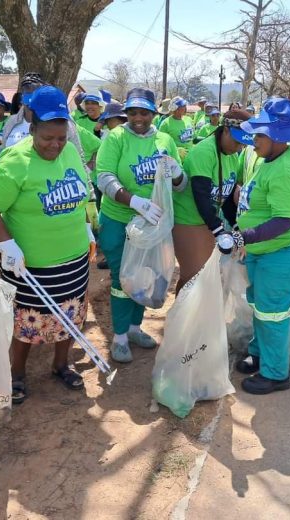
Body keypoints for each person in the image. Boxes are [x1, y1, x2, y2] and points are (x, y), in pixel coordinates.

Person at [0, 86, 95, 403]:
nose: (55, 145)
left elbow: (80, 194)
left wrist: (86, 227)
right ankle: (16, 374)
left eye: (61, 137)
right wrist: (6, 245)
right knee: (25, 323)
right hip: (31, 265)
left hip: (73, 260)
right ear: (32, 128)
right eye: (47, 138)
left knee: (70, 317)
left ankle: (61, 365)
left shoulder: (70, 152)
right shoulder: (15, 161)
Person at [95, 87, 186, 363]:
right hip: (119, 221)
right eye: (132, 112)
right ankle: (120, 337)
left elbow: (180, 186)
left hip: (153, 225)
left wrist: (178, 173)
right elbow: (105, 177)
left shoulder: (165, 140)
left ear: (153, 114)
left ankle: (135, 328)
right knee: (123, 278)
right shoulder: (116, 138)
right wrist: (133, 201)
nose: (137, 117)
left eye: (144, 112)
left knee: (147, 277)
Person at [234, 98, 290, 395]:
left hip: (283, 250)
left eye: (259, 135)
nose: (253, 141)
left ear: (278, 136)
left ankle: (275, 372)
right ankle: (260, 353)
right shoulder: (269, 157)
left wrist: (245, 236)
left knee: (272, 311)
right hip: (264, 249)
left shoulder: (287, 169)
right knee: (259, 303)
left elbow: (284, 221)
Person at [172, 109, 252, 292]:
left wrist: (235, 225)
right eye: (237, 141)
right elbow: (201, 195)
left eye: (243, 144)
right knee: (193, 276)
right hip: (188, 219)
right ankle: (182, 319)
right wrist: (218, 230)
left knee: (203, 276)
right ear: (225, 130)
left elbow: (228, 198)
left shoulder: (231, 156)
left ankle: (193, 318)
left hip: (207, 221)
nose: (239, 148)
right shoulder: (204, 152)